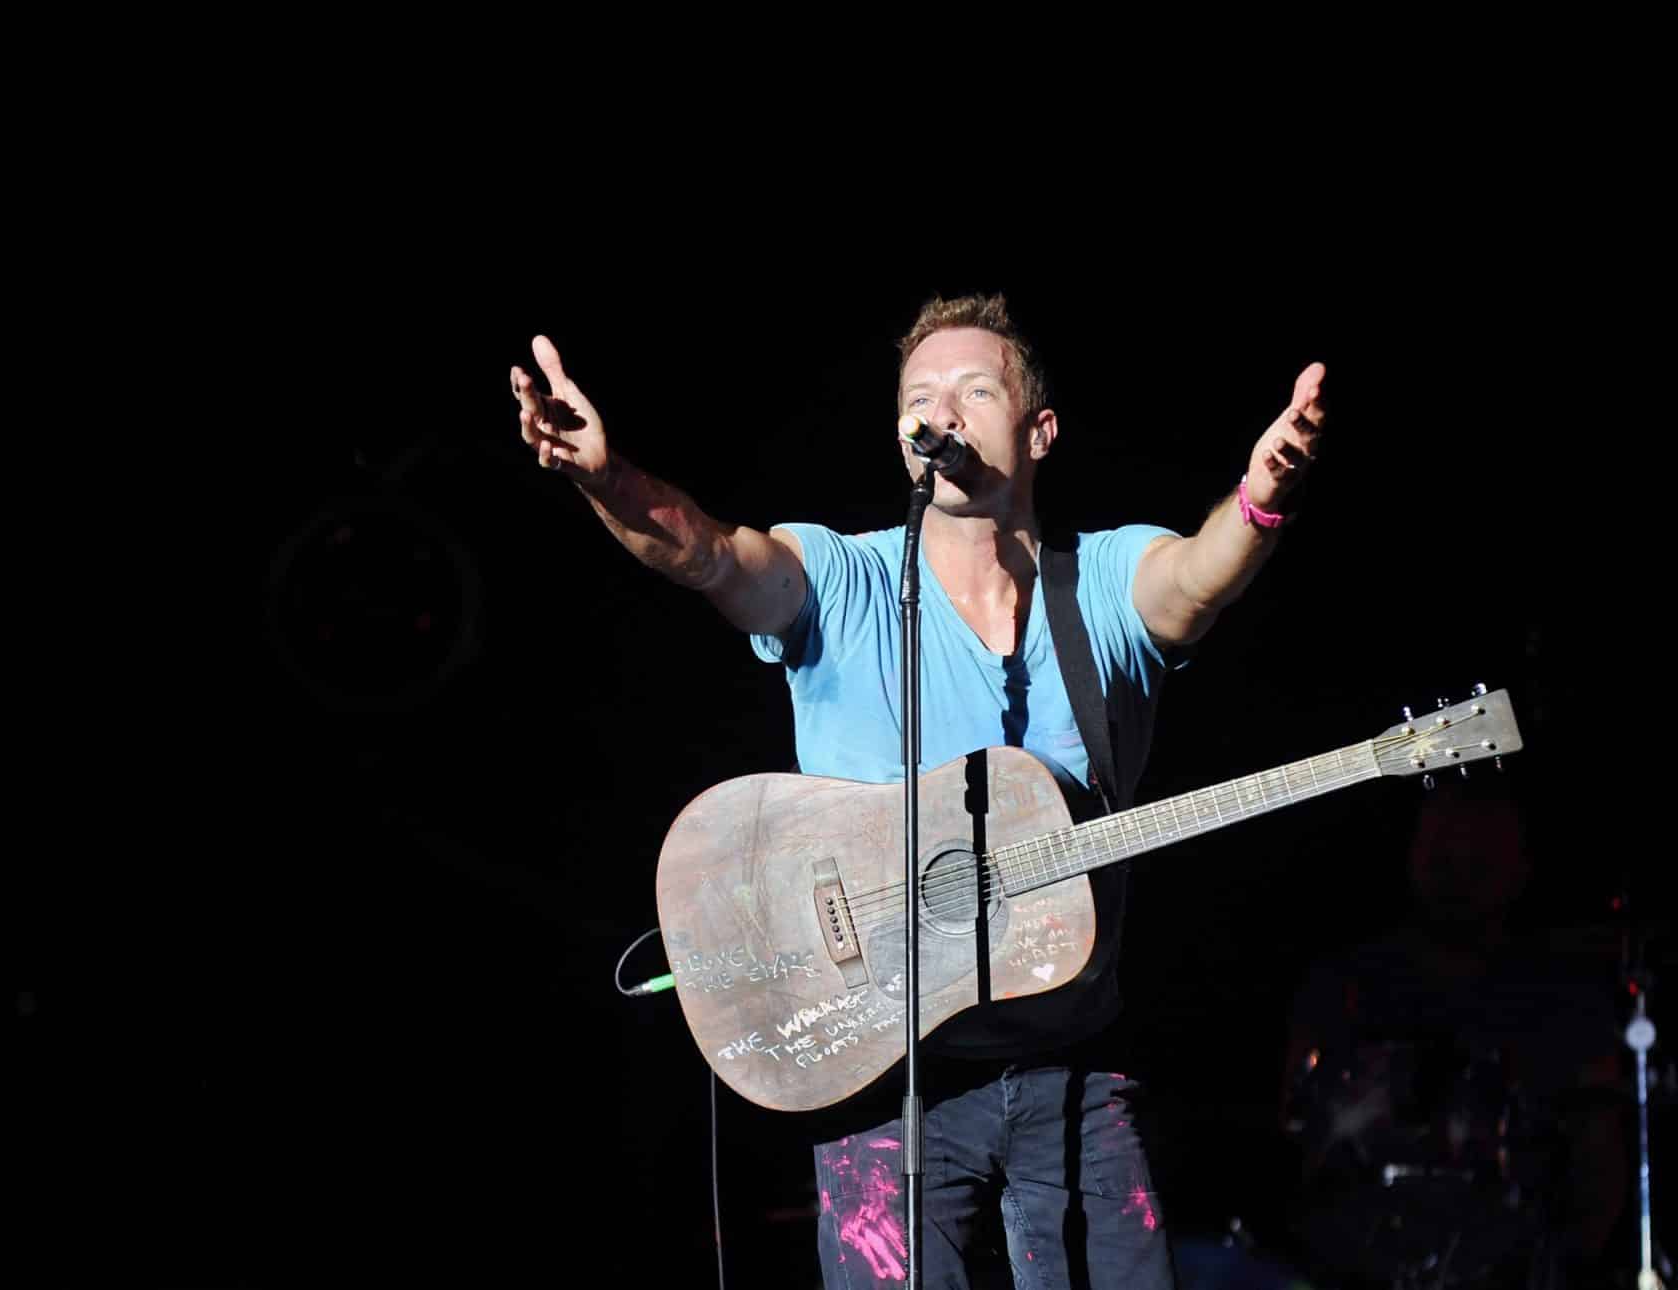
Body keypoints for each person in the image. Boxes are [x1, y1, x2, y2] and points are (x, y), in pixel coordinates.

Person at [512, 293, 1325, 1289]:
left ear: (1038, 431)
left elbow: (1197, 579)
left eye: (973, 390)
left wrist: (1258, 497)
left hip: (1070, 1067)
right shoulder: (845, 582)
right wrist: (608, 481)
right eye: (919, 396)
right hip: (878, 1083)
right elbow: (710, 554)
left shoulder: (1100, 583)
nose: (939, 411)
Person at [1282, 788, 1629, 1288]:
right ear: (1413, 854)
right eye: (1444, 849)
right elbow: (1297, 1136)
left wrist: (1568, 1265)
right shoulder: (1346, 986)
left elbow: (1602, 1160)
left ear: (1521, 865)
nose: (1460, 867)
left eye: (1480, 852)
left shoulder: (1564, 999)